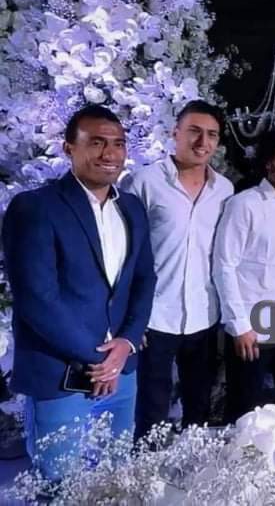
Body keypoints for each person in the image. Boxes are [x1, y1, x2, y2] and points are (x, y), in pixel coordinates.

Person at [2, 105, 157, 479]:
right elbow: (38, 300)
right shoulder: (35, 207)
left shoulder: (132, 207)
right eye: (97, 142)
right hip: (61, 375)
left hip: (122, 375)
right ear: (69, 147)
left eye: (118, 143)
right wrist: (102, 361)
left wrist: (127, 343)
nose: (110, 153)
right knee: (61, 487)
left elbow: (144, 280)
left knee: (115, 481)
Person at [121, 100, 233, 437]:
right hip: (155, 315)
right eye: (194, 131)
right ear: (176, 133)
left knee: (199, 407)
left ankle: (193, 466)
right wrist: (131, 316)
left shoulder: (224, 190)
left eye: (211, 134)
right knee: (151, 410)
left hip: (203, 314)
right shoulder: (144, 182)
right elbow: (124, 251)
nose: (203, 142)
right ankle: (147, 466)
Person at [213, 128, 275, 421]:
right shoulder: (244, 204)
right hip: (253, 327)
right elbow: (224, 265)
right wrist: (239, 325)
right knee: (244, 412)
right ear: (268, 162)